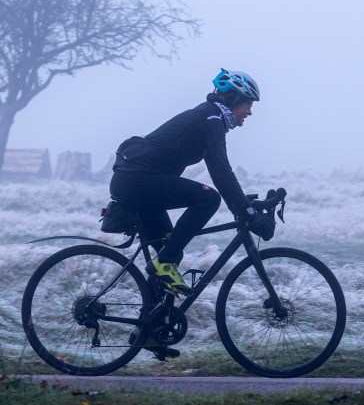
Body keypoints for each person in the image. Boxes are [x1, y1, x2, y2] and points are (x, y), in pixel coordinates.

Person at [109, 68, 261, 295]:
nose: (249, 112)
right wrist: (245, 211)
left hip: (135, 182)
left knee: (171, 253)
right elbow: (221, 172)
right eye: (248, 104)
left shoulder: (208, 117)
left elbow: (219, 172)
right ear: (234, 99)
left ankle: (152, 325)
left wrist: (242, 204)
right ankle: (164, 264)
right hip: (137, 181)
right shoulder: (211, 119)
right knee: (209, 198)